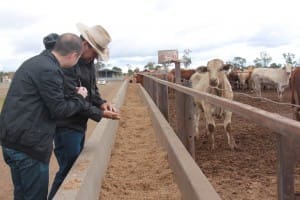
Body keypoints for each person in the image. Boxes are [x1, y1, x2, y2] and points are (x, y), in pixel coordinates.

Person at [0, 33, 89, 200]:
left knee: (21, 194)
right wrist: (79, 97)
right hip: (29, 146)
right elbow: (59, 110)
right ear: (74, 55)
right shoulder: (50, 70)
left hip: (10, 141)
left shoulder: (33, 62)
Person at [48, 23, 120, 199]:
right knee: (68, 169)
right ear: (85, 44)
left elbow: (92, 90)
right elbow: (74, 98)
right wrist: (100, 114)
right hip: (66, 124)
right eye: (95, 51)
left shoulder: (88, 62)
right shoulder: (69, 62)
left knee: (73, 164)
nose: (96, 57)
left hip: (78, 123)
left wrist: (102, 103)